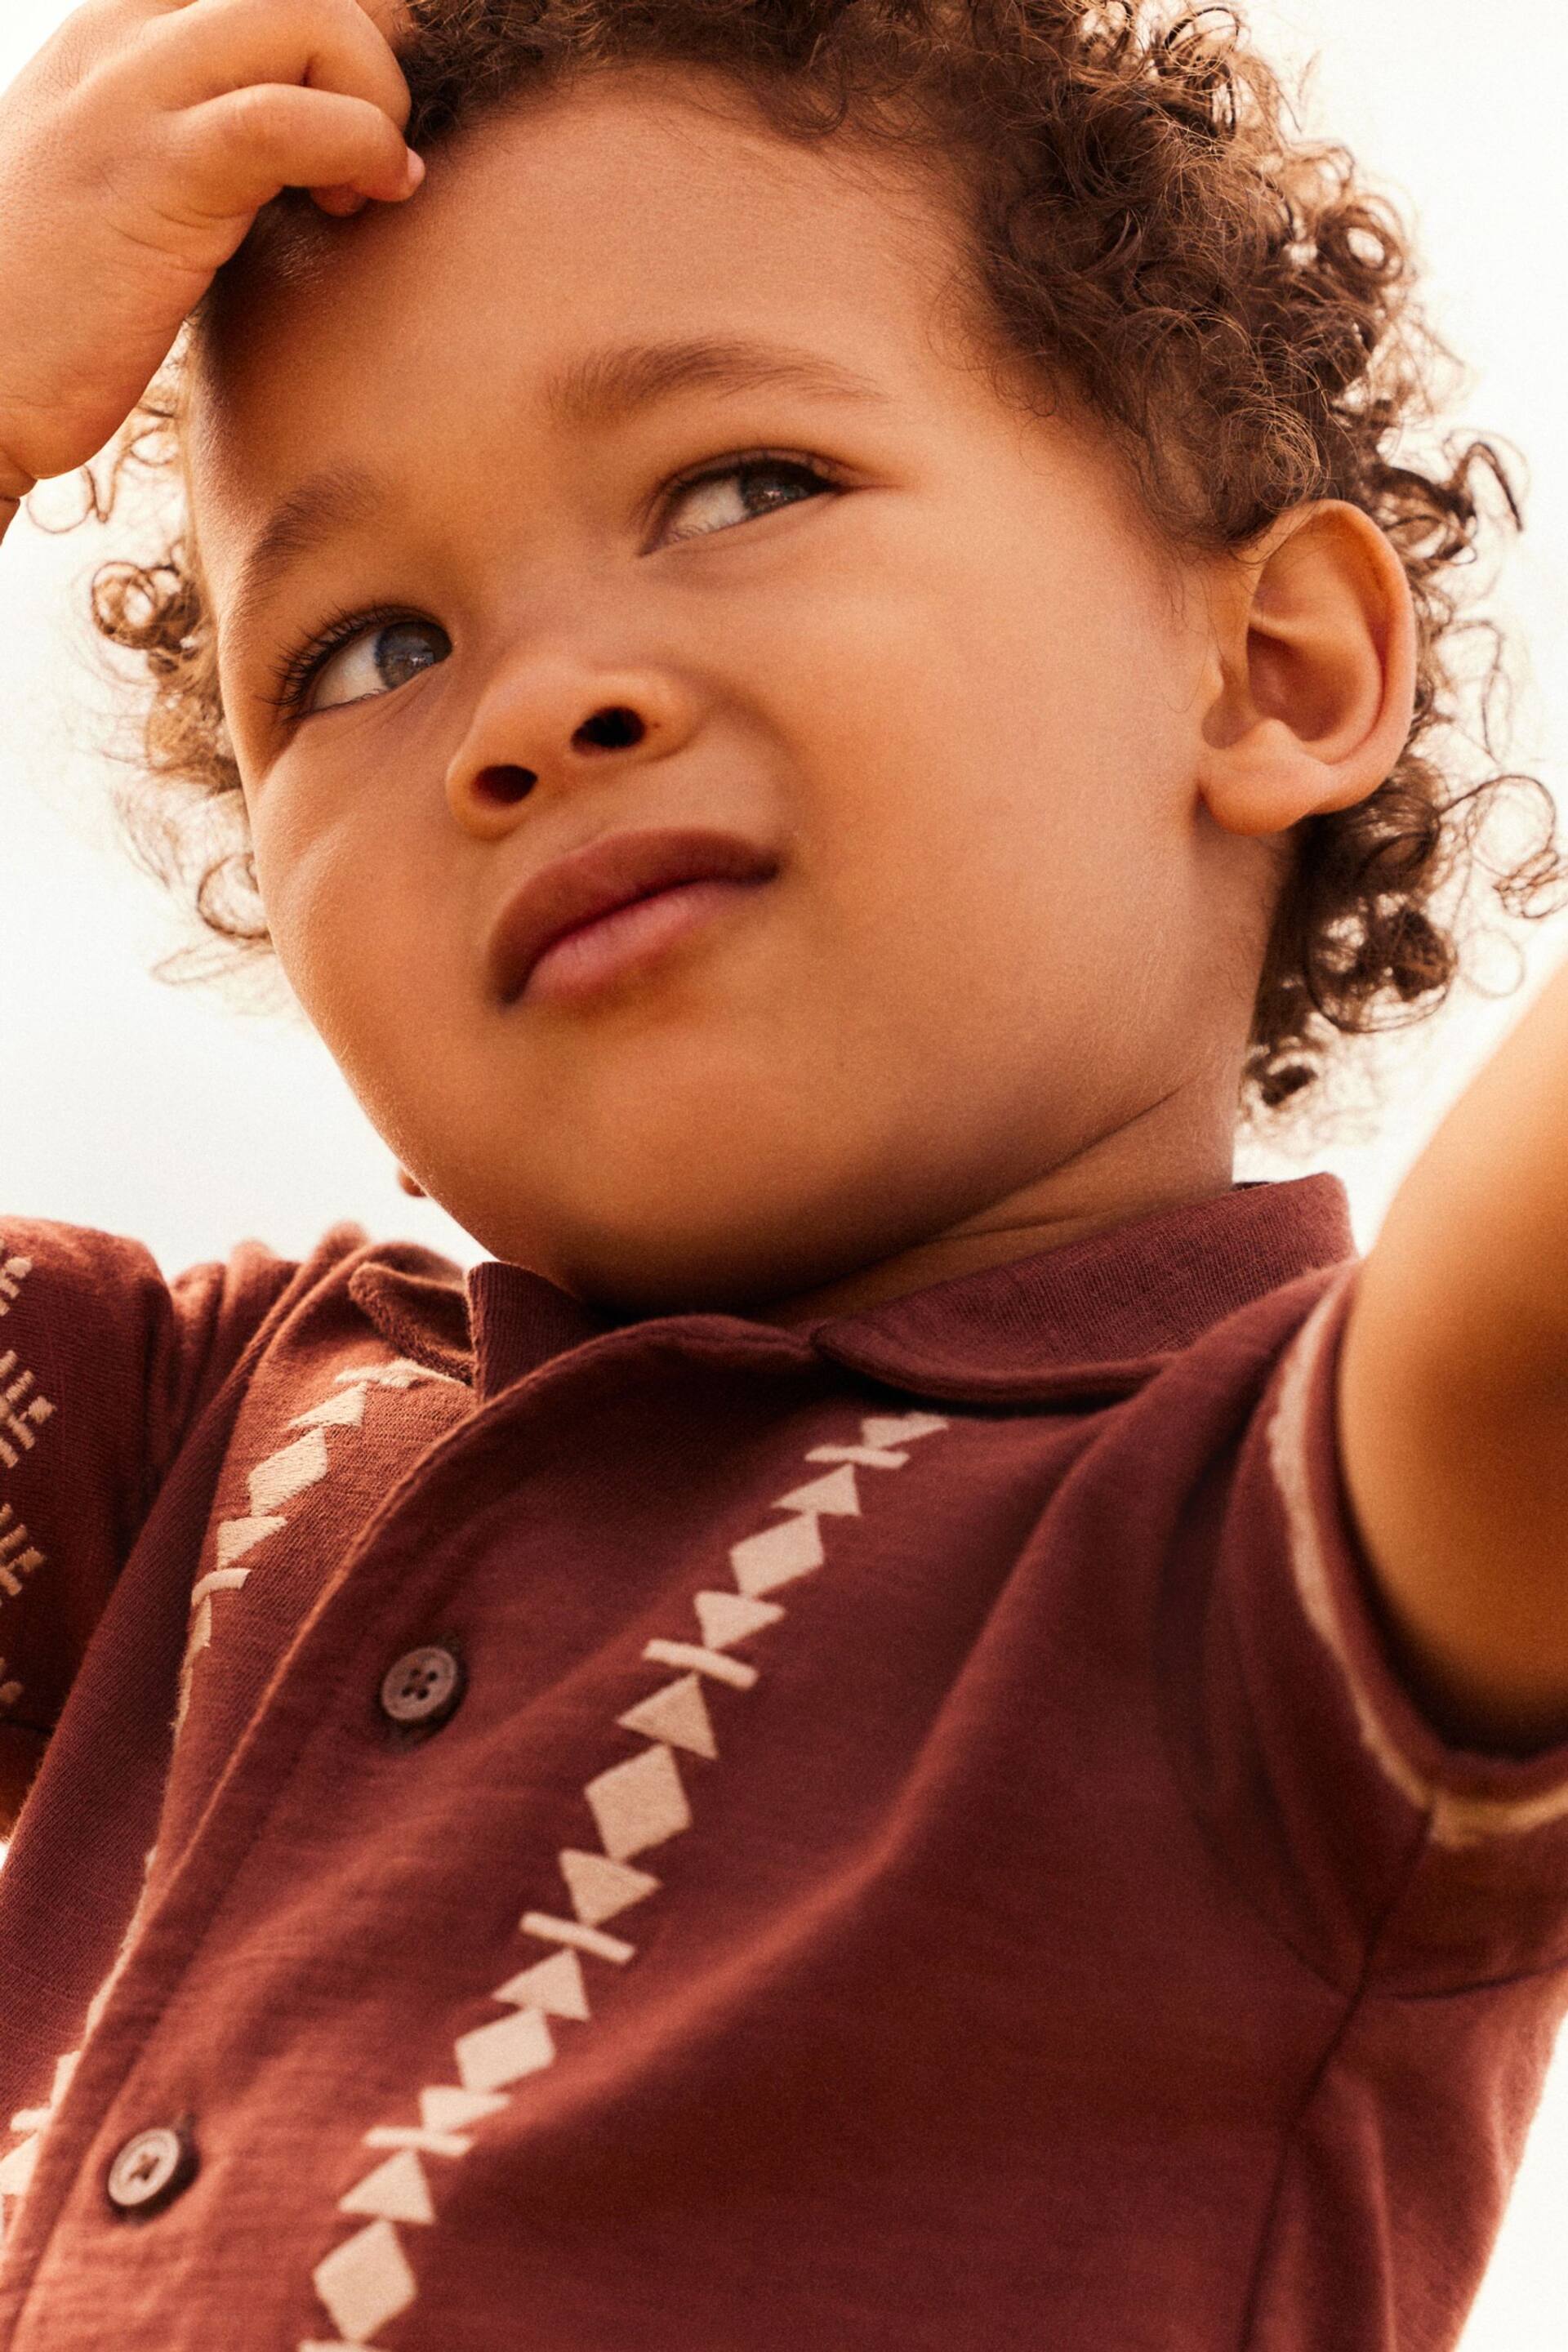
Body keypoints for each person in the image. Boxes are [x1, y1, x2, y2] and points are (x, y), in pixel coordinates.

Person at [0, 0, 1563, 2343]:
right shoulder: (181, 1441)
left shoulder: (1283, 1531)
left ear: (1273, 672)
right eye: (359, 651)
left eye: (741, 488)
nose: (533, 707)